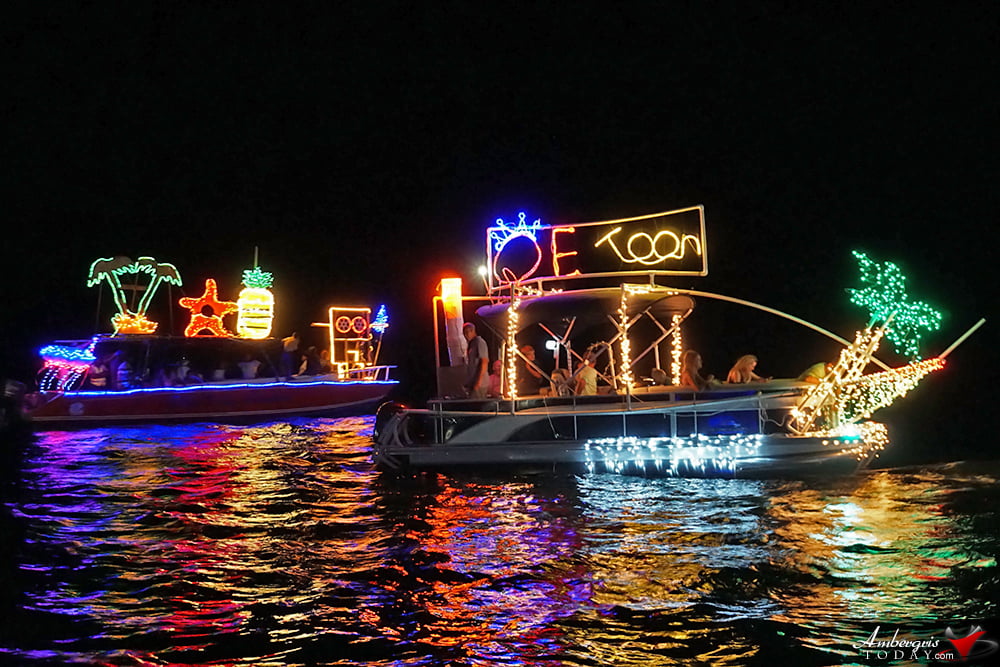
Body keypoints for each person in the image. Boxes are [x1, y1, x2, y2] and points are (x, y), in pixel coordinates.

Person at [462, 322, 489, 398]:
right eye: (465, 333)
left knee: (477, 406)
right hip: (472, 383)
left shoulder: (479, 342)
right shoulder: (471, 344)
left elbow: (484, 362)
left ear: (473, 331)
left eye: (469, 332)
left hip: (480, 383)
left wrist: (478, 382)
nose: (466, 335)